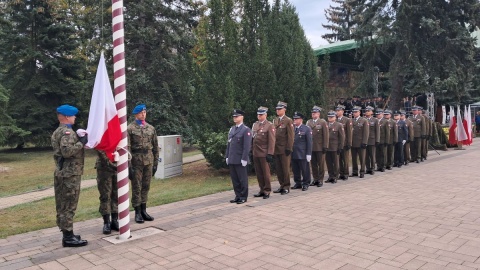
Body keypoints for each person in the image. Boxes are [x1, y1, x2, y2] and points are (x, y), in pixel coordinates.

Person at [51, 104, 88, 247]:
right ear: (67, 117)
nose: (75, 117)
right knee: (69, 204)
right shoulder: (67, 133)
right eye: (73, 115)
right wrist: (81, 143)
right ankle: (68, 237)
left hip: (64, 172)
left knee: (63, 204)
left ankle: (68, 233)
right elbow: (67, 152)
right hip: (69, 174)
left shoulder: (58, 131)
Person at [127, 104, 159, 223]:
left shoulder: (151, 128)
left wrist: (156, 162)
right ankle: (137, 212)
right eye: (140, 113)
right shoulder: (130, 128)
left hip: (148, 160)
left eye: (144, 112)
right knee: (137, 186)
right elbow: (128, 148)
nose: (143, 114)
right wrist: (129, 166)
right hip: (136, 161)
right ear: (136, 114)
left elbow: (155, 146)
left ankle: (144, 210)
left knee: (146, 186)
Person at [226, 109, 252, 204]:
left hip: (240, 159)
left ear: (242, 117)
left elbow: (246, 146)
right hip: (232, 158)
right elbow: (229, 144)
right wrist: (227, 156)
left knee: (242, 179)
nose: (235, 118)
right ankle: (237, 195)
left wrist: (244, 158)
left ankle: (243, 196)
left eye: (236, 116)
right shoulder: (232, 129)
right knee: (235, 179)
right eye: (234, 116)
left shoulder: (246, 130)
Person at [251, 106, 275, 199]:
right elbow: (253, 139)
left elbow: (272, 140)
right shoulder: (255, 125)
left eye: (261, 115)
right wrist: (251, 150)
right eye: (258, 115)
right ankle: (261, 189)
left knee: (265, 173)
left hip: (264, 152)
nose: (259, 116)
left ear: (265, 115)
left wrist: (270, 153)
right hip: (256, 153)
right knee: (259, 173)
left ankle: (267, 190)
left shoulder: (269, 125)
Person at [272, 101, 294, 195]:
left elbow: (291, 136)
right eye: (277, 109)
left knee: (285, 169)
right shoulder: (275, 120)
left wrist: (289, 148)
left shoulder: (288, 120)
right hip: (276, 148)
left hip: (284, 149)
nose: (278, 110)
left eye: (280, 109)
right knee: (279, 169)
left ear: (284, 109)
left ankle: (286, 186)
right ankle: (281, 185)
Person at [95, 150, 119, 234]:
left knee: (116, 195)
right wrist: (111, 164)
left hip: (118, 164)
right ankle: (106, 222)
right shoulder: (101, 135)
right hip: (104, 166)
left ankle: (115, 220)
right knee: (105, 195)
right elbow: (100, 148)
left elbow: (126, 147)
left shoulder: (123, 136)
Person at [306, 106, 328, 187]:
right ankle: (315, 179)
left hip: (320, 146)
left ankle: (320, 179)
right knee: (313, 164)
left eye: (314, 113)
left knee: (321, 164)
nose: (313, 114)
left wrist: (325, 146)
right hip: (311, 147)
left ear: (318, 114)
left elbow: (325, 135)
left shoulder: (322, 122)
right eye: (312, 113)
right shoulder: (309, 122)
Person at [291, 112, 312, 191]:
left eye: (296, 119)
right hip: (293, 152)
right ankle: (298, 182)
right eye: (294, 119)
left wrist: (309, 154)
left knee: (305, 169)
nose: (295, 120)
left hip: (302, 153)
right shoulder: (292, 128)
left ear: (301, 120)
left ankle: (306, 183)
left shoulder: (306, 129)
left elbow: (309, 142)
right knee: (295, 169)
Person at [325, 111, 345, 183]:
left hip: (335, 147)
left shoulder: (338, 125)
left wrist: (340, 147)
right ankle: (330, 176)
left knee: (335, 162)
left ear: (335, 117)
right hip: (327, 147)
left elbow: (342, 137)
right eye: (329, 117)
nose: (330, 118)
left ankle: (335, 176)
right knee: (328, 162)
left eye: (332, 117)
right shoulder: (325, 124)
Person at [350, 106, 369, 178]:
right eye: (353, 112)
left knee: (362, 158)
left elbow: (366, 133)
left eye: (356, 112)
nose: (354, 113)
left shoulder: (364, 120)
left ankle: (362, 171)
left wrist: (364, 142)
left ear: (359, 112)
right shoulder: (351, 120)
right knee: (354, 158)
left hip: (361, 142)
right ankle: (355, 171)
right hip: (353, 142)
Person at [336, 105, 352, 180]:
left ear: (342, 111)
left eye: (339, 111)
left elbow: (349, 133)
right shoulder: (334, 120)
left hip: (345, 143)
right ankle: (341, 173)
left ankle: (346, 173)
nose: (337, 112)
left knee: (345, 159)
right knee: (339, 159)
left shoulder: (347, 120)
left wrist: (349, 143)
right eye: (336, 111)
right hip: (337, 143)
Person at [364, 106, 379, 175]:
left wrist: (377, 140)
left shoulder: (375, 120)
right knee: (366, 156)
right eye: (366, 111)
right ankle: (368, 168)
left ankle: (372, 168)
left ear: (372, 112)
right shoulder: (363, 119)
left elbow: (377, 131)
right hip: (364, 140)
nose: (367, 112)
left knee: (372, 155)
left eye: (368, 111)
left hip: (372, 139)